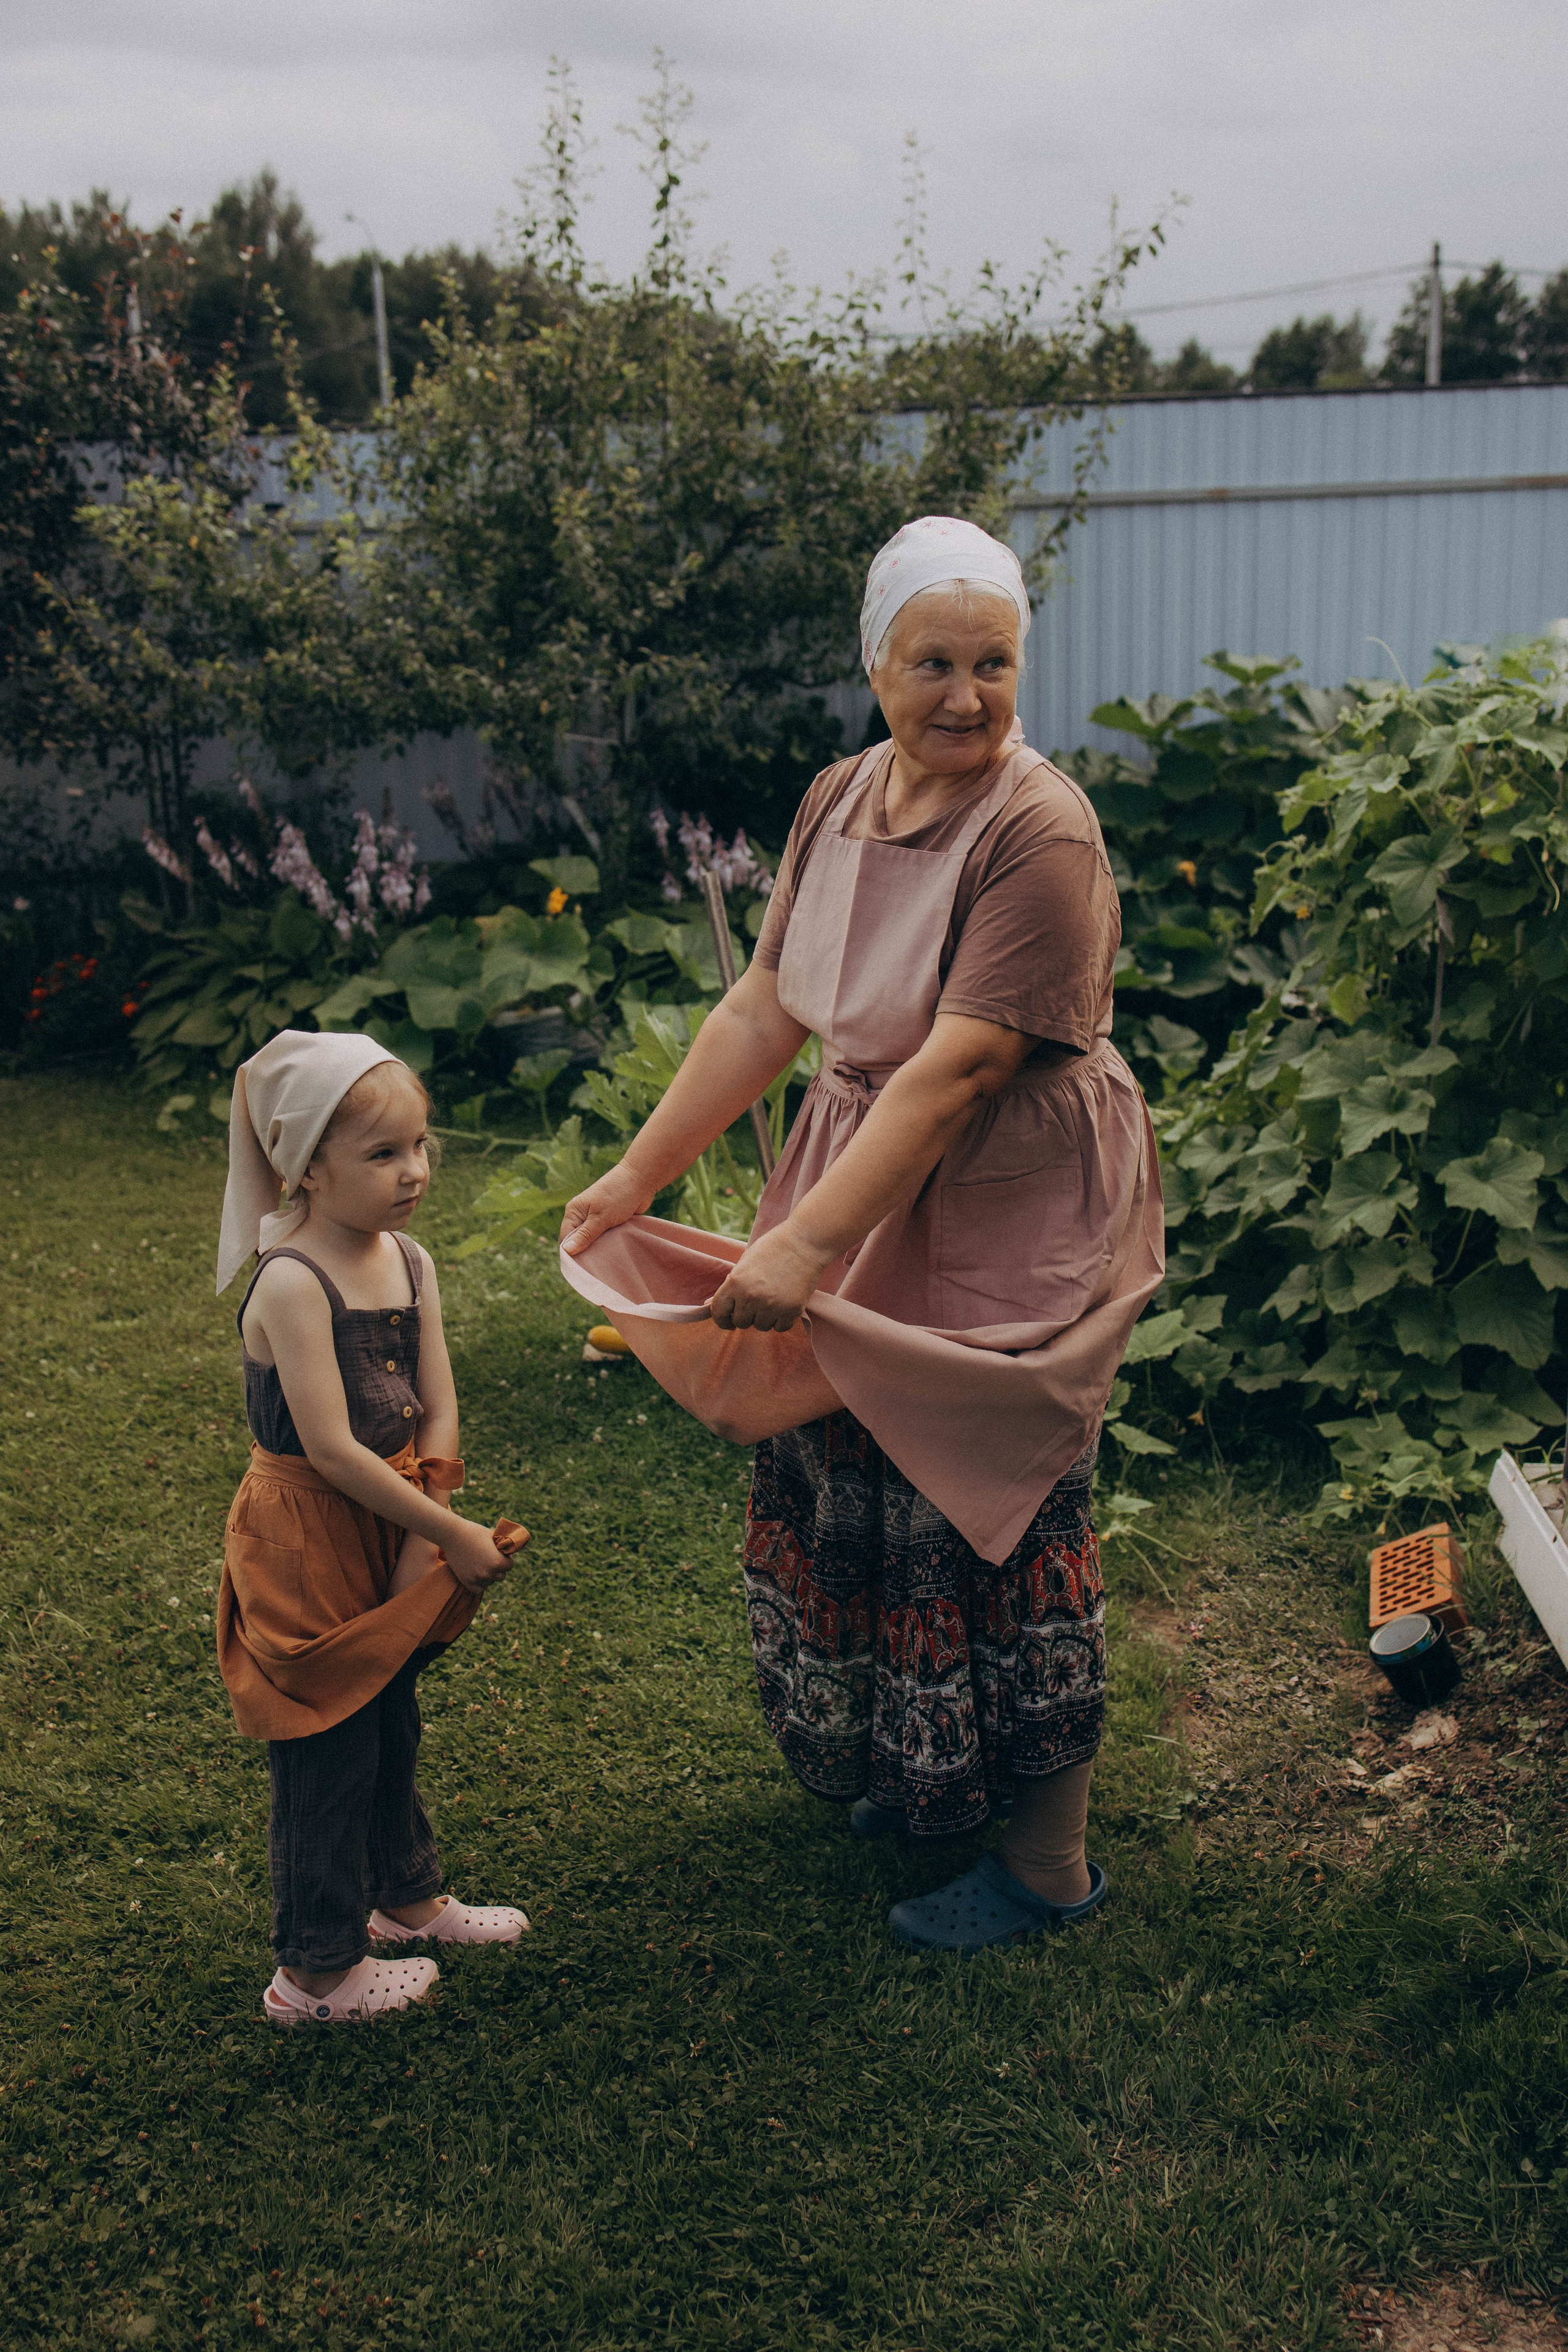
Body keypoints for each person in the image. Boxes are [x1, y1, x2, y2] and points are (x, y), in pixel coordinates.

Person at [558, 514, 1164, 1955]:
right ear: (874, 665)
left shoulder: (1039, 828)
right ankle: (916, 1766)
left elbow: (959, 1068)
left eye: (995, 661)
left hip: (1002, 1187)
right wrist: (637, 1178)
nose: (965, 694)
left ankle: (1045, 1864)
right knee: (851, 1468)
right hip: (866, 1168)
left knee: (992, 1494)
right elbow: (764, 1006)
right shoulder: (838, 796)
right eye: (932, 661)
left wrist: (801, 1248)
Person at [216, 1029, 530, 2026]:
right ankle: (313, 1973)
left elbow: (438, 1407)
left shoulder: (410, 1260)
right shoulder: (293, 1282)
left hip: (396, 1517)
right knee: (327, 1736)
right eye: (384, 1154)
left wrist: (420, 1536)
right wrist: (453, 1532)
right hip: (310, 1535)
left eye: (422, 1146)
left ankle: (403, 1898)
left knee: (389, 1713)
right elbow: (334, 1453)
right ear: (306, 1167)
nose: (416, 1173)